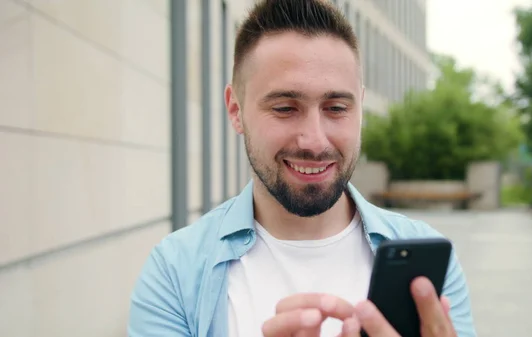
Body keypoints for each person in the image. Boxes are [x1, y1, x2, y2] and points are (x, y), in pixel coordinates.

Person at [128, 0, 476, 336]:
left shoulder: (429, 261)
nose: (314, 140)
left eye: (336, 108)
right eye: (284, 108)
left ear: (360, 110)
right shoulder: (175, 271)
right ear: (236, 110)